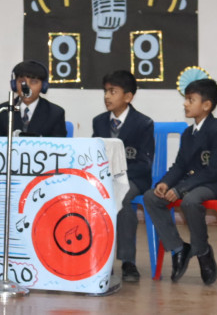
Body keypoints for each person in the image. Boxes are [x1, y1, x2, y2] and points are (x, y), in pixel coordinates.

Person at [142, 78, 217, 286]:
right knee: (151, 197)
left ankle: (202, 251)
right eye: (186, 99)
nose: (185, 104)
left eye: (190, 100)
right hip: (195, 182)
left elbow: (215, 170)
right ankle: (178, 248)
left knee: (190, 201)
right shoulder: (188, 133)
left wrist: (181, 189)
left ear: (206, 105)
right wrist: (166, 183)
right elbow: (180, 166)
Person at [91, 70, 154, 283]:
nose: (107, 96)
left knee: (123, 197)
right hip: (105, 179)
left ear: (128, 97)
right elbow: (95, 154)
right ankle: (99, 258)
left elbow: (144, 164)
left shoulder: (143, 123)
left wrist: (117, 176)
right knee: (94, 196)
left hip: (133, 179)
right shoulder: (99, 122)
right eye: (105, 91)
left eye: (113, 92)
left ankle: (128, 261)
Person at [0, 60, 67, 137]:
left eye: (33, 82)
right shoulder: (2, 111)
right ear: (14, 85)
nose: (26, 87)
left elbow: (59, 144)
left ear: (43, 86)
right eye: (22, 82)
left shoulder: (55, 113)